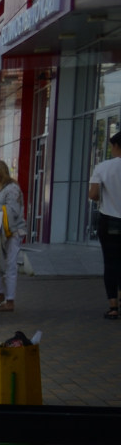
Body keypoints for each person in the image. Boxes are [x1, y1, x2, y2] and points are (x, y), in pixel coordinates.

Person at [0, 159, 24, 312]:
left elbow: (13, 211)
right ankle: (1, 297)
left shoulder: (12, 188)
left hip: (12, 232)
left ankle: (9, 301)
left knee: (9, 267)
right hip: (0, 232)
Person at [91, 131, 121, 319]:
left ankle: (113, 307)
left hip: (109, 220)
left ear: (116, 146)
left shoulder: (103, 167)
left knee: (111, 263)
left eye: (111, 146)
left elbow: (93, 194)